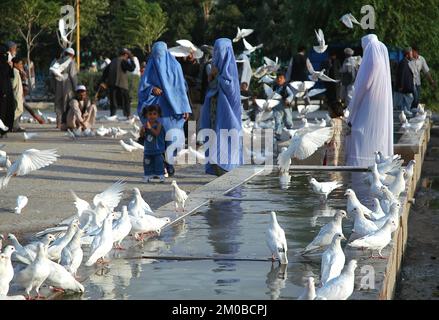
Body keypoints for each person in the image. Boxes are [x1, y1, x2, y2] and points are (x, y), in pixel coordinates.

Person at [137, 41, 192, 177]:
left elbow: (181, 88)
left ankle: (169, 162)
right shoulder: (150, 67)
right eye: (156, 55)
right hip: (156, 109)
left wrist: (185, 107)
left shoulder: (175, 66)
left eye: (161, 55)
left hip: (173, 109)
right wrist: (151, 89)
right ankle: (165, 165)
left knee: (174, 138)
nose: (158, 58)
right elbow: (142, 89)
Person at [345, 34, 393, 167]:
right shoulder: (381, 49)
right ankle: (377, 163)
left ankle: (362, 163)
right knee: (378, 133)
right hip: (380, 104)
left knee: (360, 131)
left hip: (369, 103)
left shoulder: (372, 51)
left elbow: (365, 83)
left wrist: (352, 106)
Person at [199, 38, 242, 176]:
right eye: (216, 51)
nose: (218, 55)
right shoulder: (213, 68)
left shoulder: (230, 70)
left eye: (220, 51)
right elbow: (210, 88)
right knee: (214, 137)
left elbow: (231, 90)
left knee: (227, 138)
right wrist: (211, 78)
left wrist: (217, 76)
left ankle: (227, 168)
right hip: (214, 111)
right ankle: (218, 169)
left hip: (227, 114)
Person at [52, 47, 78, 129]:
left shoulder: (58, 61)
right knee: (67, 103)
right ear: (71, 55)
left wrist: (54, 87)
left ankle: (58, 123)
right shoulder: (71, 62)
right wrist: (75, 88)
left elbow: (52, 74)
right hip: (68, 84)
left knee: (59, 103)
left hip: (58, 83)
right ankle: (66, 123)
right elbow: (72, 75)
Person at [106, 48, 136, 117]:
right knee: (126, 101)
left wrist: (104, 82)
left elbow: (105, 72)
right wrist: (131, 59)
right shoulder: (123, 61)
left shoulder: (113, 61)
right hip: (122, 84)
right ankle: (127, 115)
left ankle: (112, 115)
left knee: (113, 101)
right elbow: (131, 68)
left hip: (112, 84)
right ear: (125, 55)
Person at [142, 105, 166, 183]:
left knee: (158, 162)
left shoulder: (159, 124)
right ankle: (148, 175)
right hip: (148, 150)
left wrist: (150, 128)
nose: (152, 116)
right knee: (147, 163)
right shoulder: (146, 125)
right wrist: (142, 130)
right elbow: (141, 135)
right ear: (146, 115)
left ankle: (160, 175)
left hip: (157, 150)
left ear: (158, 115)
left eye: (154, 114)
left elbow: (156, 133)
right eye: (150, 114)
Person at [410, 45, 436, 110]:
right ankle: (411, 110)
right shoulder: (409, 59)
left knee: (417, 98)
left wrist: (431, 81)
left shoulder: (421, 59)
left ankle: (413, 112)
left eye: (412, 51)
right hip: (410, 82)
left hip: (418, 82)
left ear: (416, 52)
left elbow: (426, 71)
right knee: (415, 98)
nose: (411, 53)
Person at [324, 101, 350, 166]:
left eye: (329, 110)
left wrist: (325, 141)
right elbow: (348, 131)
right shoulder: (344, 122)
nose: (329, 112)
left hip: (333, 147)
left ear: (334, 111)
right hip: (342, 147)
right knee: (340, 164)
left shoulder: (332, 122)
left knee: (332, 166)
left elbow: (329, 135)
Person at [0, 44, 15, 138]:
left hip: (5, 91)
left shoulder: (5, 64)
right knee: (3, 110)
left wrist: (10, 65)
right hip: (3, 92)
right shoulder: (3, 65)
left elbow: (10, 75)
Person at [273, 73, 294, 139]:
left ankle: (291, 133)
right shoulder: (275, 87)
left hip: (285, 107)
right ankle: (277, 135)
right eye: (278, 78)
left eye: (281, 78)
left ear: (284, 80)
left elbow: (291, 95)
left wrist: (288, 100)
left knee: (288, 121)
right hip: (277, 107)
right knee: (277, 121)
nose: (279, 79)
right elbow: (271, 95)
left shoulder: (286, 87)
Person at [396, 47, 415, 116]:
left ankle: (405, 111)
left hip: (406, 86)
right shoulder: (404, 63)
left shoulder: (406, 62)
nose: (412, 56)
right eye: (411, 54)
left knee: (406, 99)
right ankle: (406, 110)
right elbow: (401, 75)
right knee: (410, 98)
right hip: (405, 86)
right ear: (407, 55)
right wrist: (401, 85)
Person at [11, 57, 26, 132]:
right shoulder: (15, 72)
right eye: (20, 64)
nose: (21, 65)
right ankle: (15, 127)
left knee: (19, 110)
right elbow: (13, 84)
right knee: (17, 110)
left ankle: (15, 126)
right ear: (15, 64)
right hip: (16, 94)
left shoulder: (17, 71)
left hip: (18, 94)